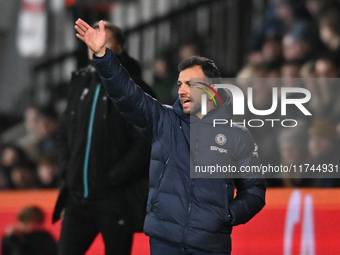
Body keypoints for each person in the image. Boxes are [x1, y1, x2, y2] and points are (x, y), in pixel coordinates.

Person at [74, 19, 267, 255]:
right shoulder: (163, 120)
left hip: (210, 245)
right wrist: (103, 56)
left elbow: (254, 191)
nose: (182, 90)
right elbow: (127, 93)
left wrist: (227, 215)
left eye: (190, 84)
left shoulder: (237, 135)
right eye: (179, 84)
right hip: (165, 243)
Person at [53, 20, 154, 255]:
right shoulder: (81, 83)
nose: (96, 47)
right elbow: (63, 131)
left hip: (116, 200)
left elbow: (146, 139)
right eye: (92, 43)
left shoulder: (135, 88)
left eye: (104, 42)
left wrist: (115, 176)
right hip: (78, 199)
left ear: (119, 48)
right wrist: (68, 170)